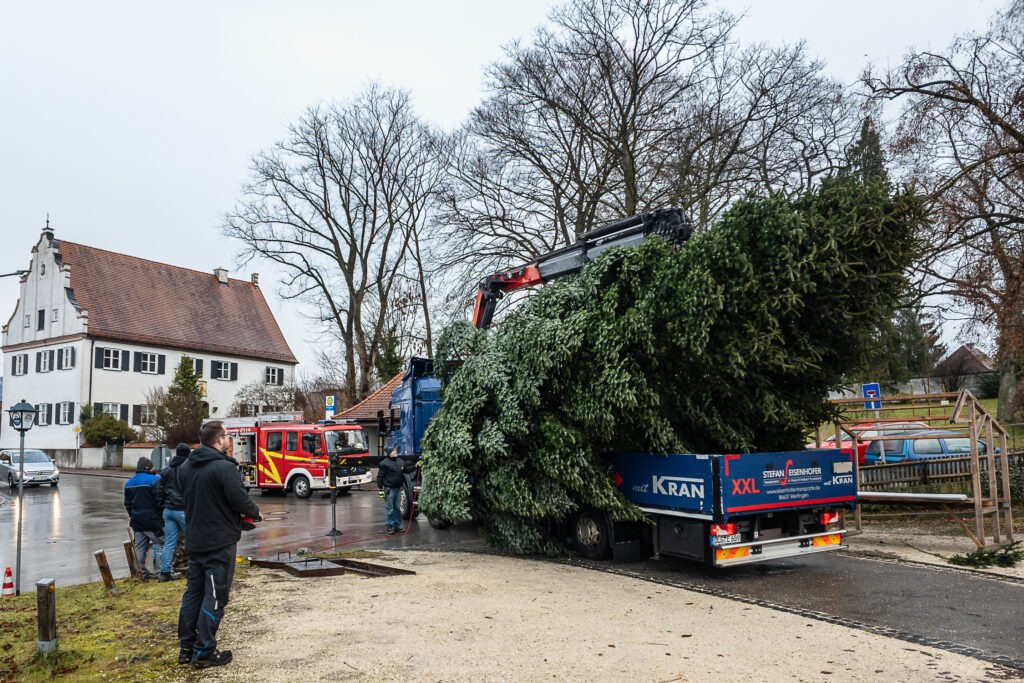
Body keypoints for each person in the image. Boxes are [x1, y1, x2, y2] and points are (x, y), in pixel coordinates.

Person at [176, 421, 261, 669]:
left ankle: (186, 647)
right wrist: (255, 513)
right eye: (228, 436)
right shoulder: (223, 468)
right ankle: (205, 650)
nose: (230, 439)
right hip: (219, 541)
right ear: (219, 440)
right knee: (215, 595)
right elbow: (240, 499)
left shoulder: (186, 467)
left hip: (195, 539)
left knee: (193, 593)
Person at [123, 456, 164, 580]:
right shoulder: (153, 480)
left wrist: (133, 515)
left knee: (140, 547)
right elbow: (159, 500)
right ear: (149, 468)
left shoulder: (129, 483)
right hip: (153, 521)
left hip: (137, 522)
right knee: (162, 543)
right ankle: (162, 571)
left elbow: (127, 504)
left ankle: (141, 573)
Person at [154, 443, 190, 582]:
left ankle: (164, 573)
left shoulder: (166, 470)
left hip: (168, 510)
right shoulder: (188, 469)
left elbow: (160, 490)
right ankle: (195, 570)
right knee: (193, 540)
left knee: (169, 542)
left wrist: (162, 505)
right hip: (183, 509)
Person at [376, 448, 416, 534]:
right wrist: (380, 489)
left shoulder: (400, 461)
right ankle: (389, 526)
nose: (395, 452)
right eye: (393, 451)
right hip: (389, 489)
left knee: (397, 508)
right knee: (390, 509)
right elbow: (380, 476)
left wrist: (415, 466)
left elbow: (406, 470)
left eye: (395, 451)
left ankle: (397, 526)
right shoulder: (384, 463)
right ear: (389, 453)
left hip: (398, 488)